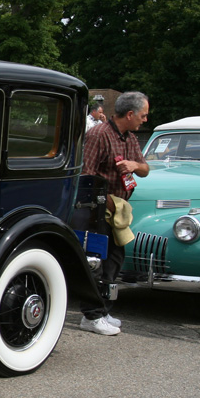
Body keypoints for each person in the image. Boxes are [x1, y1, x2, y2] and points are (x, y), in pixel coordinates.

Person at [80, 91, 150, 335]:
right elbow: (86, 175)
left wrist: (134, 165)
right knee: (97, 262)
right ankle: (91, 315)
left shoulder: (129, 138)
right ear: (129, 114)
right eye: (143, 115)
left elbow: (145, 169)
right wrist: (109, 204)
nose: (145, 120)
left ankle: (103, 310)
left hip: (117, 209)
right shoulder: (98, 134)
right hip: (98, 210)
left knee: (115, 259)